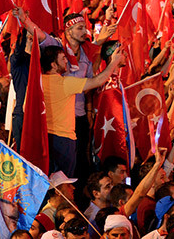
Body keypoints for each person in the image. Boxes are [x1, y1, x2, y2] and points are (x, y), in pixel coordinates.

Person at [39, 45, 124, 176]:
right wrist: (114, 62)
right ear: (53, 65)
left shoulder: (36, 83)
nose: (67, 61)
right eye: (62, 59)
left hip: (43, 138)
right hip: (64, 140)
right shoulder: (65, 83)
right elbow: (98, 80)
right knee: (64, 182)